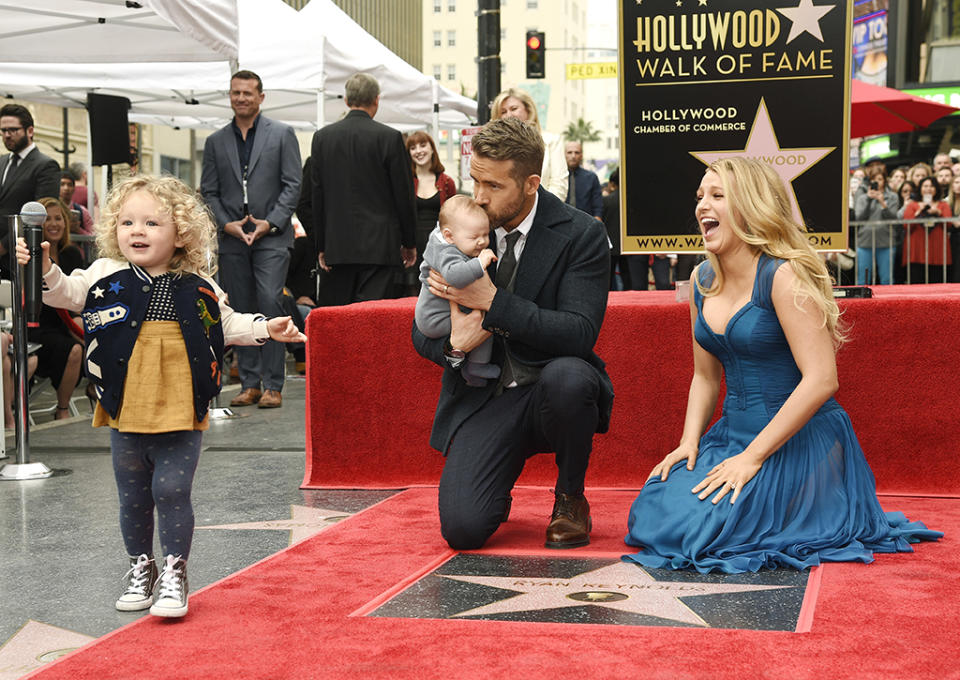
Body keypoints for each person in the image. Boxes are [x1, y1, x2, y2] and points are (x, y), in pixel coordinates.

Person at [622, 157, 942, 573]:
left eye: (718, 196)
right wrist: (689, 443)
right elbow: (705, 377)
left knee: (703, 531)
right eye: (701, 196)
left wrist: (752, 457)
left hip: (796, 439)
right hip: (730, 437)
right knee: (654, 514)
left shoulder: (784, 275)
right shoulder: (702, 279)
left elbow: (822, 379)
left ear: (750, 206)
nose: (703, 205)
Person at [16, 174, 306, 618]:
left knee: (171, 490)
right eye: (128, 222)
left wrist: (266, 327)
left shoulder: (197, 282)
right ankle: (140, 565)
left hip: (180, 402)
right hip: (125, 403)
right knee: (132, 494)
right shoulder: (105, 274)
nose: (137, 231)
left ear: (181, 233)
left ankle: (174, 569)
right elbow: (66, 293)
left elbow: (225, 324)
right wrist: (44, 265)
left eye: (152, 223)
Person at [412, 117, 613, 551]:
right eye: (474, 180)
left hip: (549, 387)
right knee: (464, 530)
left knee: (572, 378)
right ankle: (490, 490)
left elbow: (579, 333)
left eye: (493, 186)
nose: (478, 197)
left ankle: (570, 498)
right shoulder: (451, 230)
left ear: (530, 184)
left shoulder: (582, 233)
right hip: (485, 397)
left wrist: (492, 301)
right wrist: (453, 348)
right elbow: (421, 328)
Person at [201, 70, 301, 409]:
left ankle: (274, 384)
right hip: (231, 237)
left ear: (261, 97)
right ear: (229, 96)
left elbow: (292, 185)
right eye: (235, 92)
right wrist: (226, 224)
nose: (241, 98)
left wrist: (270, 222)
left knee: (271, 301)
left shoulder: (283, 134)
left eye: (247, 92)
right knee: (239, 307)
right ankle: (249, 382)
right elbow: (209, 191)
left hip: (270, 236)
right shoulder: (215, 142)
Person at [310, 73, 417, 305]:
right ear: (376, 100)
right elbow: (404, 195)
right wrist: (409, 242)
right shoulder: (390, 138)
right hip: (381, 247)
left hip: (337, 247)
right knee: (373, 322)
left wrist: (321, 245)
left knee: (338, 320)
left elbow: (316, 196)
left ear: (347, 101)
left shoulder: (322, 138)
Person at [415, 195, 499, 387]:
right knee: (487, 321)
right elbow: (454, 276)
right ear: (449, 236)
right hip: (434, 318)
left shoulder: (446, 241)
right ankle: (476, 367)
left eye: (485, 235)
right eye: (474, 237)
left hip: (432, 314)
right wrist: (480, 263)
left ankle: (473, 368)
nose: (482, 242)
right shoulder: (448, 252)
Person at [28, 198, 85, 419]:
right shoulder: (30, 255)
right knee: (75, 349)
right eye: (47, 219)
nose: (54, 224)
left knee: (103, 336)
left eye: (58, 218)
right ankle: (62, 409)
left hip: (66, 320)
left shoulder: (72, 254)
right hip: (39, 324)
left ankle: (97, 389)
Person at [0, 103, 60, 271]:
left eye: (13, 130)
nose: (7, 135)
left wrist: (4, 245)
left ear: (30, 131)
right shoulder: (2, 162)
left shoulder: (46, 165)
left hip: (22, 255)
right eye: (3, 131)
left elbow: (41, 213)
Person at [490, 88, 568, 201]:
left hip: (544, 213)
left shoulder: (552, 141)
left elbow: (559, 186)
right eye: (503, 112)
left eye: (514, 109)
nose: (509, 115)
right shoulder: (492, 146)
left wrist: (540, 212)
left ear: (528, 110)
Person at [406, 130, 457, 295]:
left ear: (432, 148)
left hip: (439, 245)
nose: (418, 151)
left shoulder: (447, 182)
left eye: (423, 145)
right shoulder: (405, 181)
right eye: (413, 148)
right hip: (412, 245)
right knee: (411, 293)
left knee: (438, 291)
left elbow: (455, 218)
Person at [901, 176, 952, 283]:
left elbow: (948, 225)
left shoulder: (943, 205)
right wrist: (918, 212)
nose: (928, 189)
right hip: (916, 252)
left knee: (937, 284)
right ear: (920, 189)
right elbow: (906, 226)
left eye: (931, 186)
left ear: (936, 189)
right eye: (925, 186)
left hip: (937, 252)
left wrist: (938, 213)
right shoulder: (912, 205)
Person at [853, 169, 898, 285]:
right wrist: (868, 199)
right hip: (865, 241)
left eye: (879, 179)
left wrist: (883, 203)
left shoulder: (892, 197)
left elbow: (893, 218)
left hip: (886, 241)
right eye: (873, 179)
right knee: (863, 279)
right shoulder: (863, 198)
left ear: (884, 181)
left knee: (887, 279)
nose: (877, 182)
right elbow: (859, 218)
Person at [564, 141, 603, 220]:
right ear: (564, 155)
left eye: (577, 152)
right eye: (569, 152)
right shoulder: (557, 179)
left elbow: (598, 208)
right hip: (560, 225)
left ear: (581, 155)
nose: (573, 156)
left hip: (586, 225)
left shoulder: (591, 178)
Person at [59, 170, 94, 235]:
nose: (66, 188)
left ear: (74, 188)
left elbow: (93, 237)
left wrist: (77, 229)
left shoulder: (82, 211)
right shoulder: (51, 210)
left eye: (69, 185)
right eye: (62, 184)